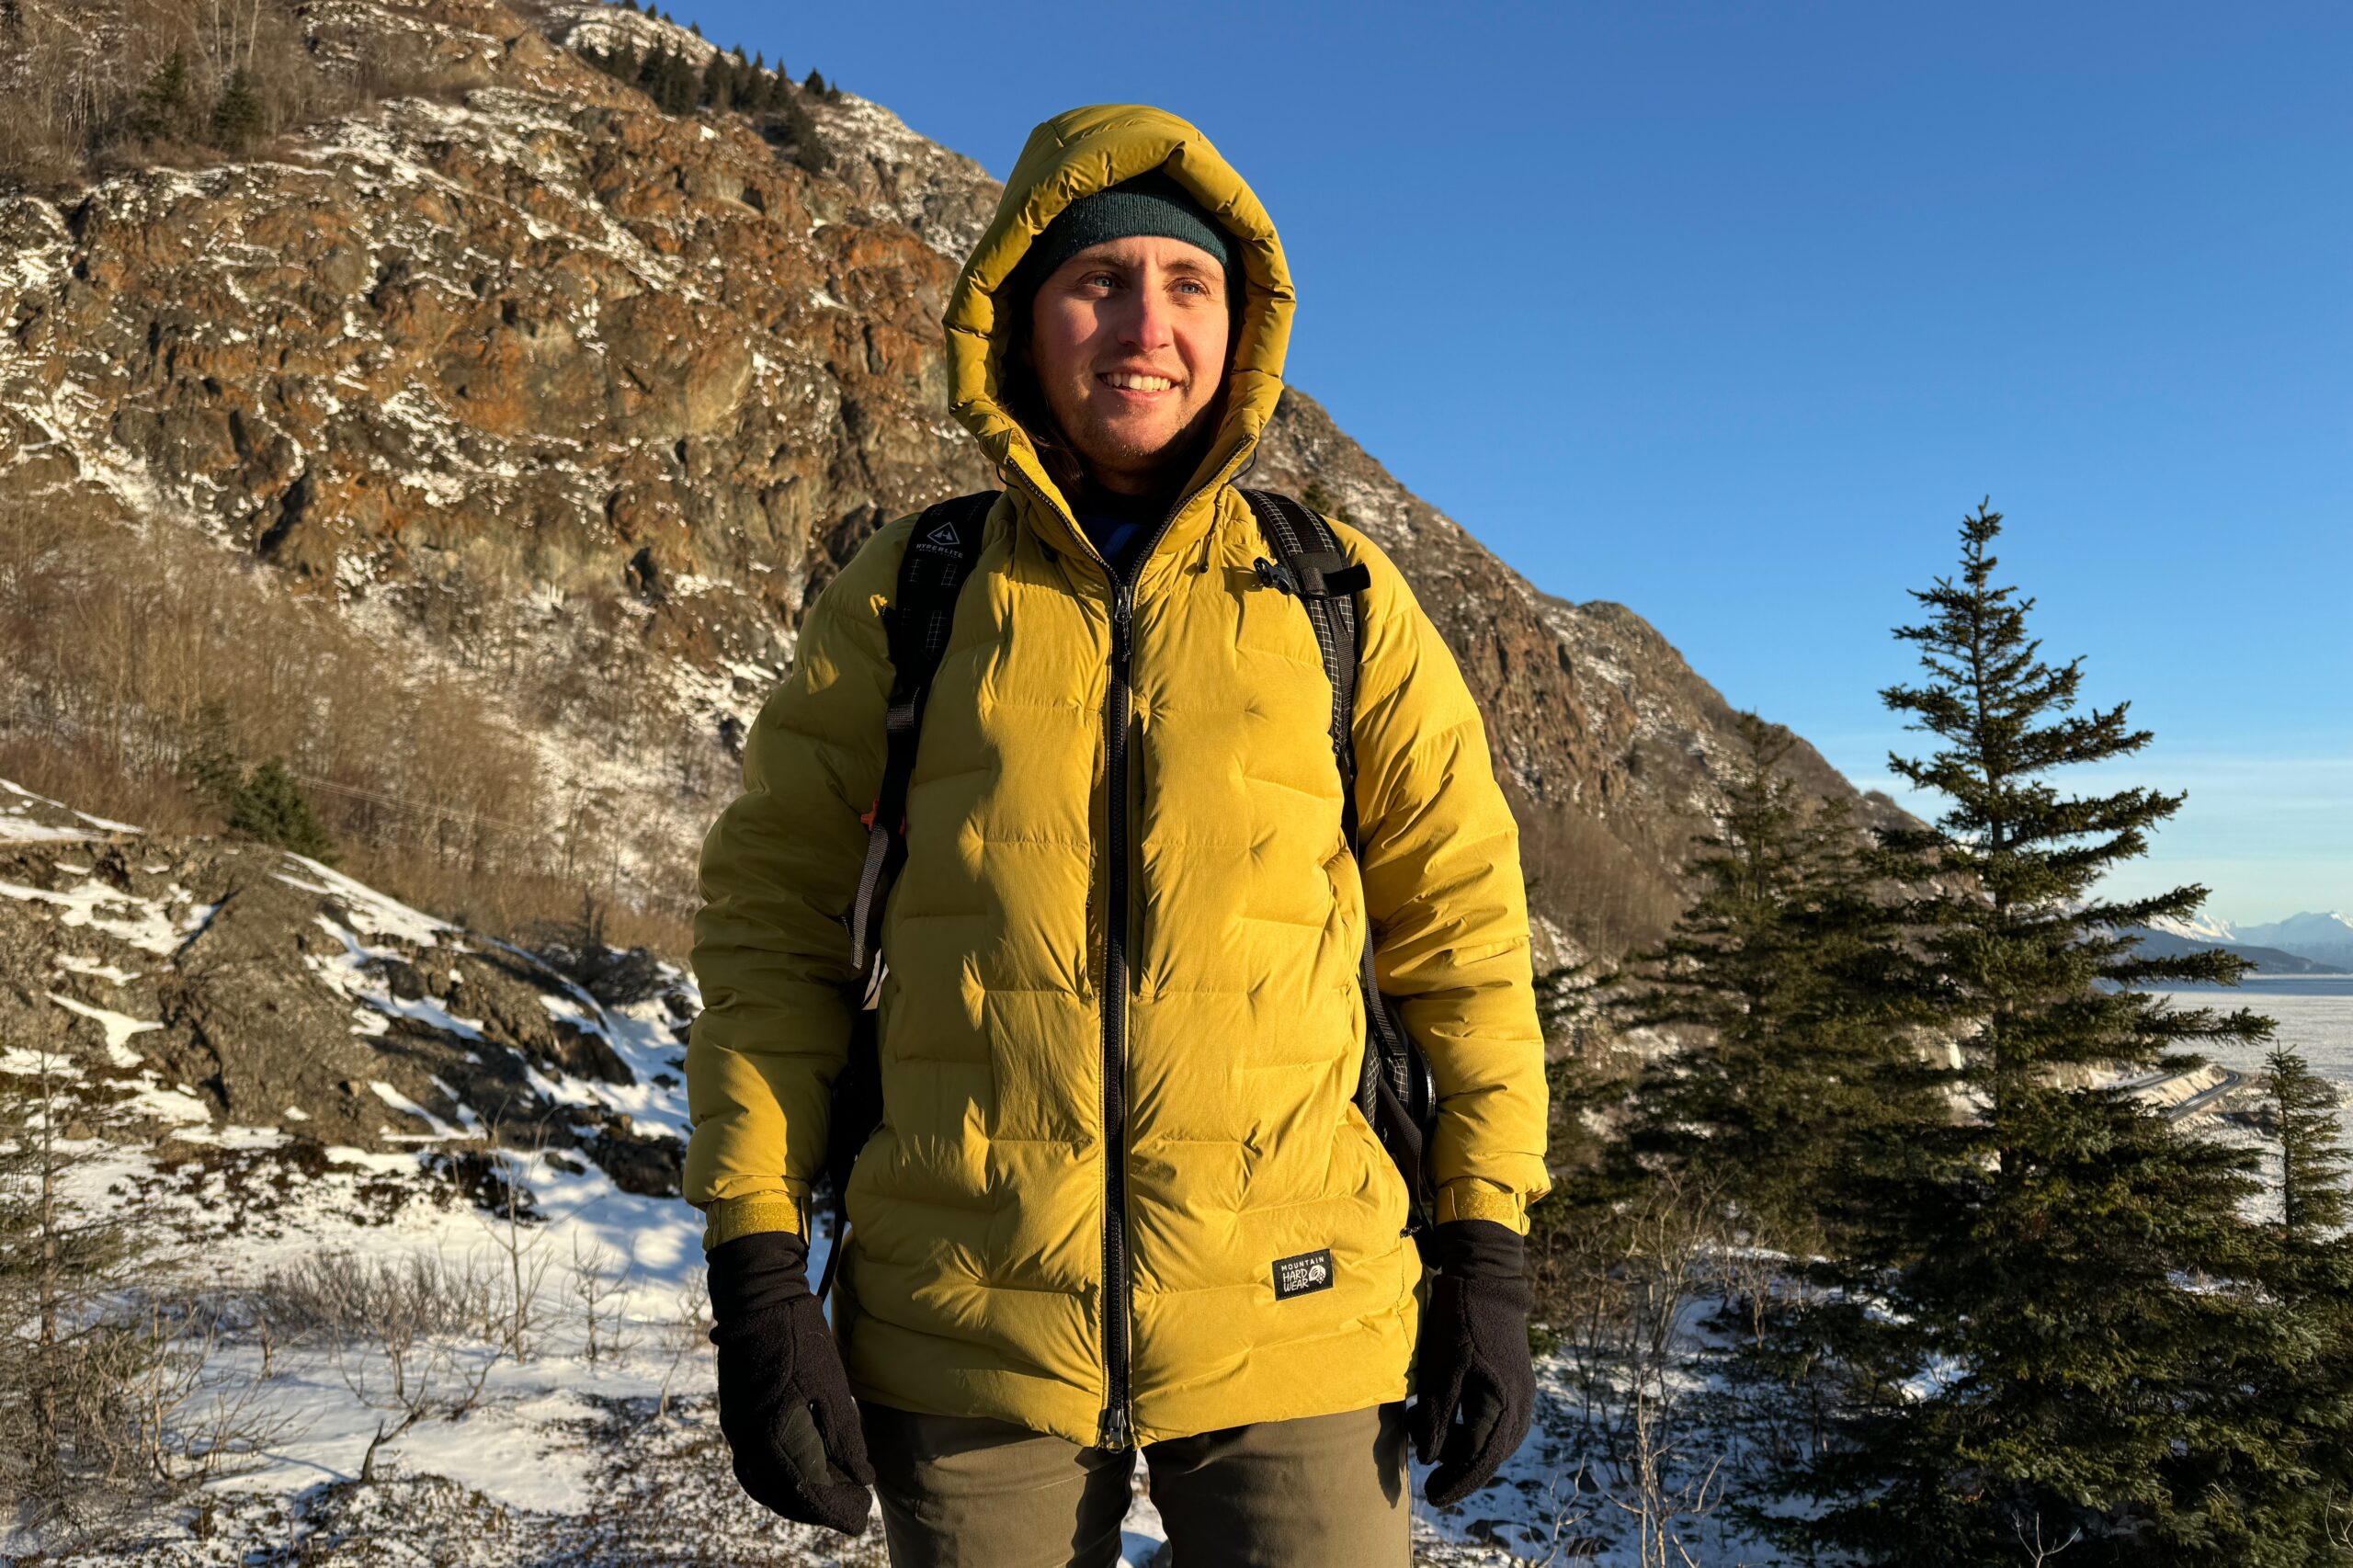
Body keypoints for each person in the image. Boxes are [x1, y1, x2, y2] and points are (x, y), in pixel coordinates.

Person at [685, 103, 1551, 1568]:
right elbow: (774, 933)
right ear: (1022, 319)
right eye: (1099, 283)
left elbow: (1462, 941)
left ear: (1240, 324)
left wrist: (1487, 1245)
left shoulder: (1335, 594)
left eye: (1187, 285)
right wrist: (757, 1266)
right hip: (967, 1315)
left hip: (1297, 1308)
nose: (1144, 325)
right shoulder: (915, 593)